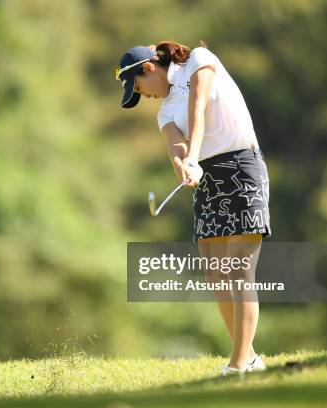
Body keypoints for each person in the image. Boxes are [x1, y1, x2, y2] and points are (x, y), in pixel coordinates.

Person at [114, 40, 272, 375]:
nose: (145, 96)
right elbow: (176, 146)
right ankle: (251, 357)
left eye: (140, 88)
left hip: (242, 165)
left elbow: (197, 109)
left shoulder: (198, 60)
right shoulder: (164, 112)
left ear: (149, 68)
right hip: (204, 178)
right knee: (217, 275)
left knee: (240, 270)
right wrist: (183, 166)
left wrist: (191, 156)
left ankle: (238, 364)